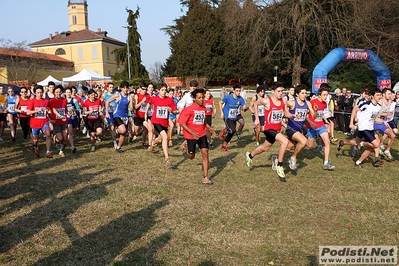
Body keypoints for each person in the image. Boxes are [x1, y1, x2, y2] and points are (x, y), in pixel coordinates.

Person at [245, 82, 291, 181]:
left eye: (282, 91)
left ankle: (250, 155)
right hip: (268, 129)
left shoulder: (283, 101)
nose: (281, 93)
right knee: (285, 141)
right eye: (278, 91)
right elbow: (256, 104)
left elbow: (286, 113)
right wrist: (257, 118)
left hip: (277, 129)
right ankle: (279, 164)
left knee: (265, 148)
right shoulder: (267, 101)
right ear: (273, 91)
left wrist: (293, 116)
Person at [178, 88, 216, 184]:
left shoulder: (204, 108)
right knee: (191, 156)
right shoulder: (188, 109)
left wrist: (209, 128)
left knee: (205, 153)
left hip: (202, 134)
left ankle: (205, 177)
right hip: (191, 136)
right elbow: (182, 123)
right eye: (199, 98)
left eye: (203, 97)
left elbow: (203, 121)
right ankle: (187, 144)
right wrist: (192, 133)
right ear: (194, 99)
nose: (202, 99)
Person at [350, 88, 385, 167]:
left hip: (370, 128)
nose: (379, 97)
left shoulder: (378, 107)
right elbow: (355, 109)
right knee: (377, 144)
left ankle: (358, 162)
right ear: (372, 96)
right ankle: (362, 143)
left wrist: (384, 122)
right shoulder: (367, 104)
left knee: (371, 147)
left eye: (380, 95)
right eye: (377, 95)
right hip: (363, 127)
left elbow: (374, 118)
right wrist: (351, 122)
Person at [284, 84, 315, 170]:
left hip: (299, 129)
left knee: (287, 148)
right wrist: (289, 115)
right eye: (302, 93)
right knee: (304, 141)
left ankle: (275, 160)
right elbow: (283, 108)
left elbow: (312, 115)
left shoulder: (307, 103)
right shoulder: (291, 103)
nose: (304, 95)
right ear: (297, 94)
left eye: (305, 93)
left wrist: (312, 120)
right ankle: (293, 158)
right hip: (290, 129)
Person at [145, 83, 177, 165]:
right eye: (162, 90)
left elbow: (175, 111)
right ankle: (167, 158)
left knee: (160, 139)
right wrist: (146, 113)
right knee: (165, 137)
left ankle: (152, 143)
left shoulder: (170, 100)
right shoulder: (154, 98)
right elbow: (149, 103)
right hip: (156, 121)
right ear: (158, 90)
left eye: (165, 90)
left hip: (164, 123)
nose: (163, 92)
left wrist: (171, 110)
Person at [305, 83, 335, 170]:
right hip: (311, 127)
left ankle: (326, 163)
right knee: (309, 145)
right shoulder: (312, 102)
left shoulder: (324, 103)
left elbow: (320, 113)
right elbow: (306, 114)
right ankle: (301, 140)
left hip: (321, 126)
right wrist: (310, 122)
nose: (325, 97)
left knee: (327, 142)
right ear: (319, 94)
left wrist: (325, 119)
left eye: (327, 95)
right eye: (324, 95)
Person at [106, 80, 133, 153]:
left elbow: (131, 107)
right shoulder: (118, 95)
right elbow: (107, 101)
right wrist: (107, 112)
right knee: (123, 130)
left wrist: (131, 108)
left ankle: (118, 147)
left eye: (127, 88)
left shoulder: (129, 96)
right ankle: (117, 129)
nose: (126, 89)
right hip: (117, 115)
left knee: (124, 133)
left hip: (125, 116)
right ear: (121, 88)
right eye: (124, 88)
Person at [27, 85, 53, 158]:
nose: (40, 94)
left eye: (41, 92)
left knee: (48, 134)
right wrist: (37, 110)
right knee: (35, 140)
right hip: (35, 123)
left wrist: (50, 115)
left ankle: (48, 152)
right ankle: (36, 147)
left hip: (44, 121)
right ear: (35, 93)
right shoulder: (32, 101)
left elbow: (51, 108)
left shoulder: (46, 101)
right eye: (38, 93)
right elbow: (28, 112)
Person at [219, 84, 247, 152]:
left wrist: (244, 108)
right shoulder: (228, 97)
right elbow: (220, 102)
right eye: (237, 91)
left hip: (234, 117)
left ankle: (224, 144)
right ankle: (224, 144)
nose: (238, 92)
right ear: (233, 91)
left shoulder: (240, 98)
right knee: (232, 131)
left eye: (239, 91)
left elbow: (244, 106)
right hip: (227, 116)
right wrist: (221, 112)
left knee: (231, 131)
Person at [375, 88, 396, 160]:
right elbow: (376, 114)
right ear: (384, 95)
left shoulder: (390, 102)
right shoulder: (380, 102)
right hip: (376, 122)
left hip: (383, 123)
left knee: (392, 135)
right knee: (375, 143)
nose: (390, 95)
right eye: (389, 94)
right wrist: (386, 114)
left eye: (391, 94)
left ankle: (387, 150)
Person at [49, 85, 69, 157]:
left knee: (64, 137)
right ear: (54, 93)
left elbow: (65, 110)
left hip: (64, 121)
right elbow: (48, 111)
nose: (58, 93)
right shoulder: (51, 101)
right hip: (56, 122)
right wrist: (50, 120)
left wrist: (68, 113)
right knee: (60, 138)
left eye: (60, 92)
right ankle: (55, 138)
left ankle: (60, 149)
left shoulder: (64, 100)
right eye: (57, 92)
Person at [102, 83, 118, 148]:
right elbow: (101, 102)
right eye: (110, 87)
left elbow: (118, 100)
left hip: (116, 112)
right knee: (112, 126)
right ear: (107, 88)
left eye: (112, 87)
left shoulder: (116, 93)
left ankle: (114, 133)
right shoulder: (104, 94)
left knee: (116, 126)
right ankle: (114, 142)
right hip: (108, 112)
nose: (111, 88)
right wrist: (103, 110)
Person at [65, 87, 79, 153]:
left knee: (74, 131)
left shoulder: (74, 100)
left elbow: (78, 109)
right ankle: (72, 147)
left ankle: (71, 138)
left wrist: (75, 110)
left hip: (74, 117)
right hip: (68, 118)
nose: (68, 94)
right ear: (65, 93)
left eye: (69, 92)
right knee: (70, 132)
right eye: (67, 92)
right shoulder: (63, 100)